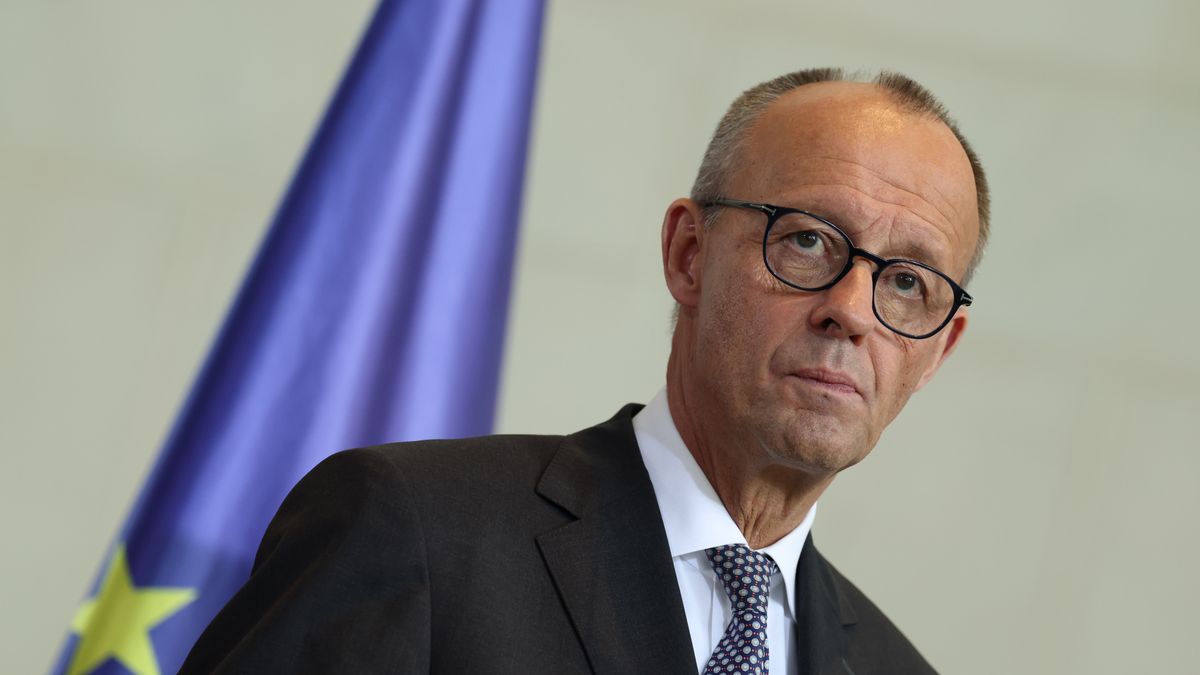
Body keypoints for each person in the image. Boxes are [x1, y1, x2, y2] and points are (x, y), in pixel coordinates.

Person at [181, 66, 988, 675]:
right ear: (688, 255)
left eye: (908, 283)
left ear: (935, 355)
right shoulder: (414, 532)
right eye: (808, 240)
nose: (851, 309)